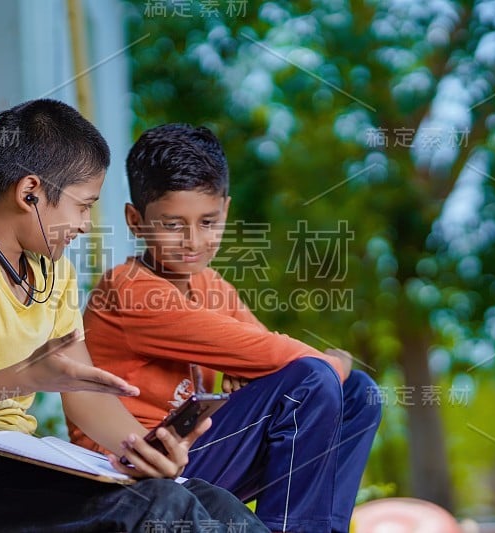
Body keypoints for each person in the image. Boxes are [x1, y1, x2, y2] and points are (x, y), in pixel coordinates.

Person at [0, 100, 268, 533]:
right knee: (160, 506)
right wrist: (23, 378)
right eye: (83, 205)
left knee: (210, 501)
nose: (87, 224)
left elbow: (84, 393)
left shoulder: (53, 271)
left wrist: (145, 449)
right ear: (30, 193)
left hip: (13, 454)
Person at [67, 123, 382, 533]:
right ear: (135, 220)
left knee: (359, 393)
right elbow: (291, 364)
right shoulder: (131, 290)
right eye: (173, 224)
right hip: (136, 467)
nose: (194, 241)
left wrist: (278, 368)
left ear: (226, 211)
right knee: (317, 380)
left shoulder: (211, 285)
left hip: (197, 451)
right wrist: (333, 358)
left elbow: (271, 359)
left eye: (208, 221)